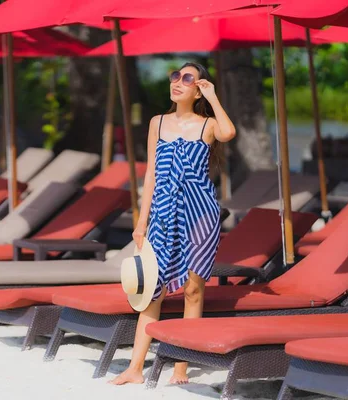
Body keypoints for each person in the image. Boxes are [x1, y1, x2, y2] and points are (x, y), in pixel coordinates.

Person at [110, 62, 236, 385]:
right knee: (152, 289)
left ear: (199, 88)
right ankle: (135, 368)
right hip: (163, 213)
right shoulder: (158, 122)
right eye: (175, 76)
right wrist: (141, 221)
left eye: (187, 78)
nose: (178, 82)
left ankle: (181, 365)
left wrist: (214, 98)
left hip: (200, 215)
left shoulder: (208, 125)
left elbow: (229, 132)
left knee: (194, 291)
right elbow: (150, 174)